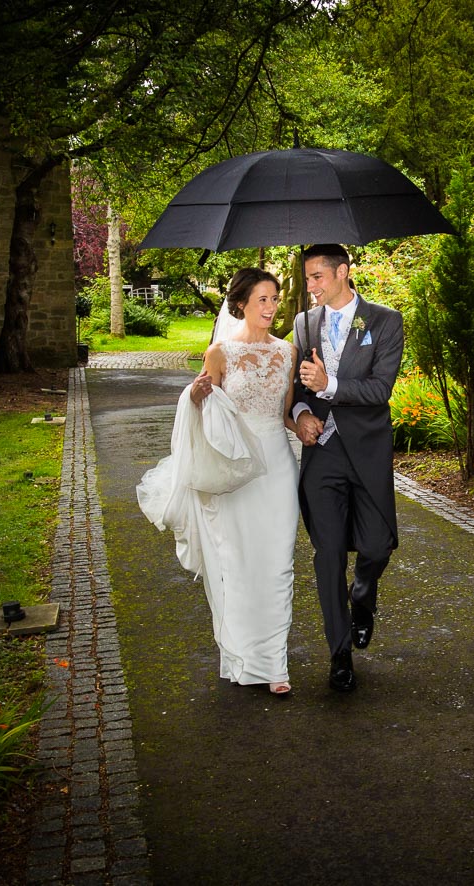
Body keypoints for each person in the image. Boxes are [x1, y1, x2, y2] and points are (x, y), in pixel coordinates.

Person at [137, 268, 300, 696]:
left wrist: (304, 422)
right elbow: (205, 407)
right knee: (239, 562)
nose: (271, 307)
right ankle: (242, 657)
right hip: (235, 470)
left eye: (274, 298)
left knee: (278, 562)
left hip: (278, 469)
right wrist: (193, 397)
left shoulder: (289, 351)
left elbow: (285, 413)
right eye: (262, 299)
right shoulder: (219, 353)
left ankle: (275, 664)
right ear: (241, 304)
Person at [291, 244, 403, 692]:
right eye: (307, 278)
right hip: (323, 454)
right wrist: (301, 413)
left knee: (376, 546)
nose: (311, 286)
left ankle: (363, 591)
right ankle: (339, 653)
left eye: (317, 276)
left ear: (343, 272)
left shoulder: (385, 321)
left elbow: (380, 389)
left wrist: (330, 384)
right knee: (328, 554)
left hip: (368, 450)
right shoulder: (303, 323)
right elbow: (295, 387)